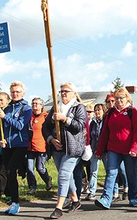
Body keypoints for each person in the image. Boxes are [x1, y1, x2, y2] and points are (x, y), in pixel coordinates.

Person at [42, 82, 87, 219]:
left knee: (63, 175)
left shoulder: (79, 107)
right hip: (57, 148)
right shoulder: (55, 108)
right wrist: (51, 139)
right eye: (61, 91)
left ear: (74, 93)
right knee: (66, 177)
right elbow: (45, 127)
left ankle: (59, 207)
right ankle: (75, 200)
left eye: (66, 91)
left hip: (73, 149)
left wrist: (65, 119)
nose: (63, 94)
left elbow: (79, 126)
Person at [94, 87, 137, 209]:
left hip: (129, 150)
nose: (119, 100)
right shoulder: (110, 113)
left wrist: (135, 148)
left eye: (122, 98)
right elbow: (104, 133)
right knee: (111, 173)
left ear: (127, 98)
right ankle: (106, 199)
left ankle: (133, 197)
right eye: (117, 98)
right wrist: (99, 150)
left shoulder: (132, 111)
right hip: (113, 149)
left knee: (131, 174)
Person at [0, 81, 32, 215]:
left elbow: (19, 126)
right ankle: (13, 201)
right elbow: (5, 127)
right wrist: (3, 138)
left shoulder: (26, 108)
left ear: (23, 93)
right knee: (7, 173)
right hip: (8, 145)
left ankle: (16, 202)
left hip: (20, 144)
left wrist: (5, 117)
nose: (15, 94)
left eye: (18, 92)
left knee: (12, 171)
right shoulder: (7, 108)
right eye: (13, 92)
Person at [26, 97, 52, 195]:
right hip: (29, 147)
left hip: (42, 147)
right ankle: (32, 187)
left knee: (40, 168)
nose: (34, 105)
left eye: (37, 103)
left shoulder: (46, 116)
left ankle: (47, 179)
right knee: (29, 168)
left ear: (42, 106)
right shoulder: (29, 117)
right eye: (33, 103)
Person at [85, 103, 107, 201]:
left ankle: (112, 191)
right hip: (95, 150)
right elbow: (90, 136)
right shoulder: (93, 123)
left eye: (99, 110)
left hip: (105, 151)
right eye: (96, 110)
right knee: (93, 171)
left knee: (109, 172)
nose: (97, 112)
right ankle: (92, 192)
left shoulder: (106, 121)